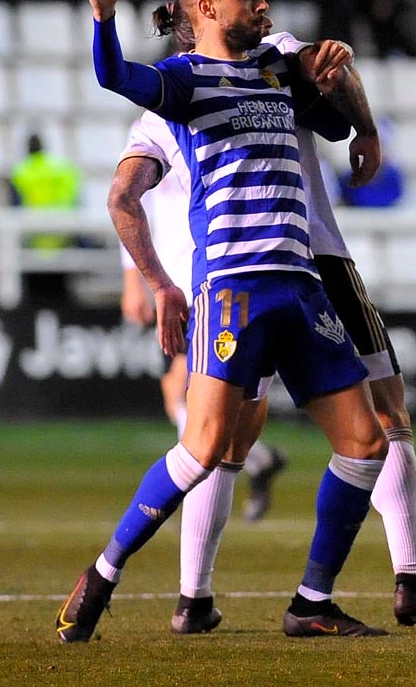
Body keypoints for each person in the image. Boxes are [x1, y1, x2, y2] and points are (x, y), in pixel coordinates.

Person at [57, 0, 389, 643]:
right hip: (234, 288)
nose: (264, 7)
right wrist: (103, 15)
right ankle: (103, 573)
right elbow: (114, 75)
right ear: (207, 9)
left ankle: (311, 602)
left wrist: (335, 84)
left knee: (364, 444)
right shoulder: (180, 81)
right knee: (204, 446)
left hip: (300, 284)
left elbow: (330, 122)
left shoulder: (274, 69)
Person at [114, 23, 416, 633]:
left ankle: (200, 598)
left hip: (261, 269)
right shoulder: (228, 70)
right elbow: (130, 191)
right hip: (289, 262)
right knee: (248, 435)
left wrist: (364, 126)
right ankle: (394, 584)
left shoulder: (266, 55)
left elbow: (334, 68)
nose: (256, 7)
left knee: (235, 439)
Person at [118, 114, 289, 524]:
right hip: (170, 283)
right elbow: (130, 206)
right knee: (176, 397)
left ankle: (199, 499)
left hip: (207, 279)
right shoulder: (154, 133)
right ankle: (256, 462)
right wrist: (134, 280)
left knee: (190, 396)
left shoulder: (218, 125)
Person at [9, 131, 83, 303]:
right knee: (61, 297)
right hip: (63, 241)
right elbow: (76, 201)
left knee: (34, 300)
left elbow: (15, 206)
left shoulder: (21, 171)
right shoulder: (65, 169)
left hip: (34, 244)